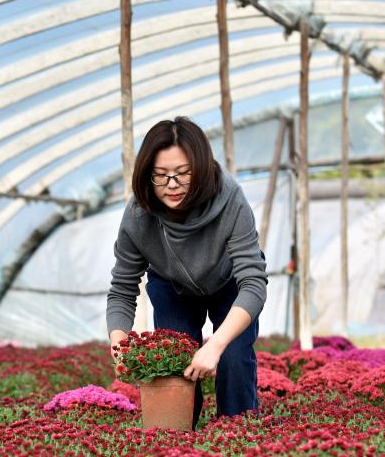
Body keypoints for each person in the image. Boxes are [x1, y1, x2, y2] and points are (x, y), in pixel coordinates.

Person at [106, 116, 268, 428]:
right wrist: (119, 344)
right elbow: (122, 290)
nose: (171, 186)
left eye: (182, 175)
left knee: (234, 358)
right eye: (161, 176)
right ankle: (178, 441)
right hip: (172, 286)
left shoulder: (230, 199)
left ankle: (237, 436)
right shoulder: (138, 215)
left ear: (202, 170)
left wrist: (216, 346)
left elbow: (253, 284)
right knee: (175, 364)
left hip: (231, 282)